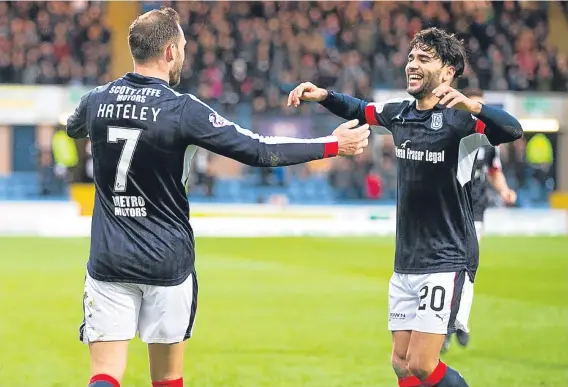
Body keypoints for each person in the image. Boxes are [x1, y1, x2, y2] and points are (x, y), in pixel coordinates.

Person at [66, 7, 370, 387]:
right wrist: (331, 144)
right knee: (166, 379)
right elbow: (258, 150)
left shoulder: (97, 99)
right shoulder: (182, 111)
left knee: (105, 374)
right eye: (184, 45)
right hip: (167, 261)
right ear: (170, 52)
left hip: (109, 258)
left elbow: (73, 127)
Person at [287, 27, 523, 387]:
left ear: (447, 72)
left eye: (424, 59)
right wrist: (322, 95)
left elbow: (512, 130)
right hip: (407, 259)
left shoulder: (463, 123)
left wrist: (470, 104)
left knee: (424, 364)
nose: (412, 64)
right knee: (400, 363)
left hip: (447, 258)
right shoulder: (400, 114)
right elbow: (359, 109)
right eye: (411, 57)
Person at [441, 88, 517, 353]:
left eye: (483, 109)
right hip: (450, 208)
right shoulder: (454, 137)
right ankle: (450, 323)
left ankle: (457, 323)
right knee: (449, 268)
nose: (481, 115)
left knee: (465, 267)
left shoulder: (489, 144)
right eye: (475, 108)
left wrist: (504, 190)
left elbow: (495, 172)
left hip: (476, 210)